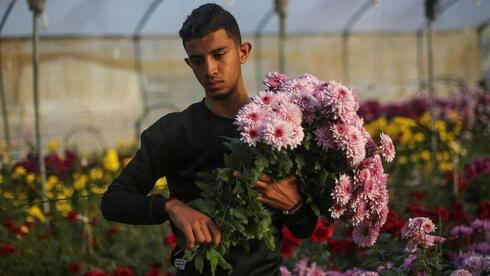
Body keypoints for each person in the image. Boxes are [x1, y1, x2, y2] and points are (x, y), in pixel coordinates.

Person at [100, 3, 317, 275]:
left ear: (243, 52)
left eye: (219, 54)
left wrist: (293, 205)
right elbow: (113, 201)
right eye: (198, 60)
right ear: (189, 63)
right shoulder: (172, 133)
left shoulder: (280, 127)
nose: (209, 69)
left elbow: (305, 227)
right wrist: (170, 206)